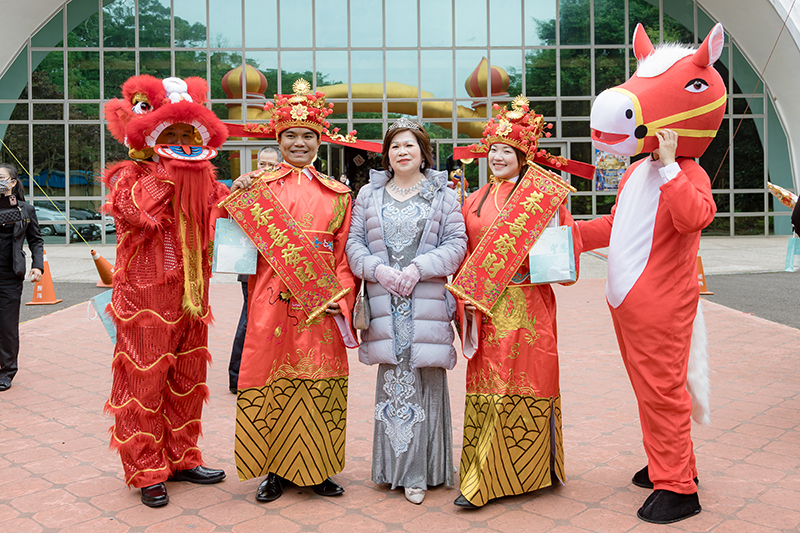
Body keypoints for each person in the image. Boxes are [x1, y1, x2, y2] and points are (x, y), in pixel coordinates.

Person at [228, 79, 358, 503]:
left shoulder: (339, 194)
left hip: (321, 303)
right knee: (272, 378)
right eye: (290, 136)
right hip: (272, 299)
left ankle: (318, 468)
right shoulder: (256, 188)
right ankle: (273, 470)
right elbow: (229, 242)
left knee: (319, 382)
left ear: (320, 141)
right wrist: (232, 199)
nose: (299, 143)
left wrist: (342, 297)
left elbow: (344, 255)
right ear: (278, 139)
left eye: (307, 136)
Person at [102, 75, 229, 507]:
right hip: (145, 297)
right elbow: (134, 210)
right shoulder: (131, 176)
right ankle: (146, 469)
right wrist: (172, 170)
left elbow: (225, 213)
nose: (181, 144)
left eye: (188, 135)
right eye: (171, 135)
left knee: (188, 378)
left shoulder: (206, 179)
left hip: (193, 292)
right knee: (144, 379)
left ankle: (182, 457)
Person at [452, 98, 581, 509]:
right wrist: (464, 300)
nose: (498, 157)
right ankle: (482, 478)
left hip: (529, 304)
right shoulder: (472, 200)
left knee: (532, 381)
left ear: (523, 157)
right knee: (489, 385)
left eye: (508, 151)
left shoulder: (541, 198)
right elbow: (464, 255)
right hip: (487, 306)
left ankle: (533, 470)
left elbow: (563, 255)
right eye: (494, 150)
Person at [345, 118, 467, 504]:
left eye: (409, 145)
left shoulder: (442, 194)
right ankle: (390, 470)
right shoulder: (368, 195)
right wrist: (377, 270)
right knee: (393, 381)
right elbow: (353, 244)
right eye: (395, 146)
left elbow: (457, 243)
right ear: (387, 154)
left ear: (423, 152)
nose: (402, 152)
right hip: (386, 303)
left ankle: (421, 473)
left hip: (425, 301)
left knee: (426, 377)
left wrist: (418, 269)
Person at [227, 146, 281, 394]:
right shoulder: (245, 185)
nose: (265, 169)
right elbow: (226, 214)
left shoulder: (285, 188)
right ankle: (237, 376)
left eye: (271, 165)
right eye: (262, 164)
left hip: (279, 266)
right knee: (249, 320)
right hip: (251, 265)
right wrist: (235, 192)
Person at [0, 164, 43, 392]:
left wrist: (38, 266)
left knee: (7, 327)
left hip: (10, 276)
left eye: (1, 178)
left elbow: (36, 240)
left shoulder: (26, 209)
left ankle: (6, 372)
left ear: (13, 182)